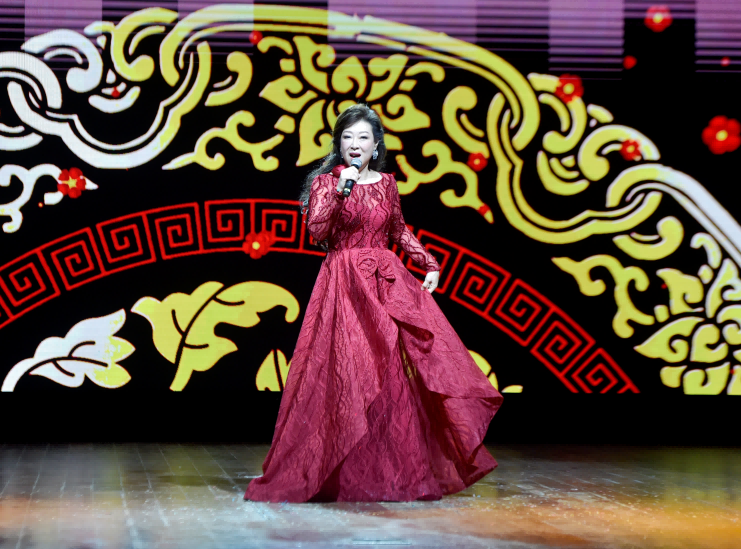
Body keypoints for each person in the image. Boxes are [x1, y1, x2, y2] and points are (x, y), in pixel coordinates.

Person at [245, 104, 502, 503]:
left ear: (376, 145)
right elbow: (317, 230)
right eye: (347, 137)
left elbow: (397, 229)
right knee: (347, 373)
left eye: (362, 137)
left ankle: (387, 474)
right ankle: (332, 473)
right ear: (339, 144)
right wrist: (341, 188)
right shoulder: (327, 183)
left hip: (384, 283)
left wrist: (428, 262)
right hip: (344, 285)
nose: (355, 144)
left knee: (390, 375)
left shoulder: (387, 184)